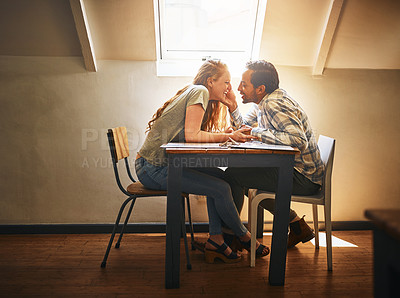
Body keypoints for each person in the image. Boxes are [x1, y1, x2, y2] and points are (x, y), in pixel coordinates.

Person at [135, 59, 269, 263]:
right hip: (152, 168)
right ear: (210, 82)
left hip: (163, 164)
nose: (229, 88)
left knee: (223, 179)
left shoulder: (197, 92)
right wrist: (228, 137)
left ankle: (216, 239)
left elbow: (191, 134)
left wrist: (223, 129)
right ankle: (244, 236)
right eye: (225, 82)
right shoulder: (200, 91)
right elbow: (191, 135)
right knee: (221, 189)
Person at [222, 60, 325, 248]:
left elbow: (297, 140)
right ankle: (296, 225)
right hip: (297, 171)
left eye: (244, 84)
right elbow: (243, 127)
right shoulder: (264, 101)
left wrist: (255, 132)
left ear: (260, 88)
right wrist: (233, 107)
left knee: (232, 176)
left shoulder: (273, 104)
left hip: (303, 177)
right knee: (238, 175)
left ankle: (231, 238)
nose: (238, 88)